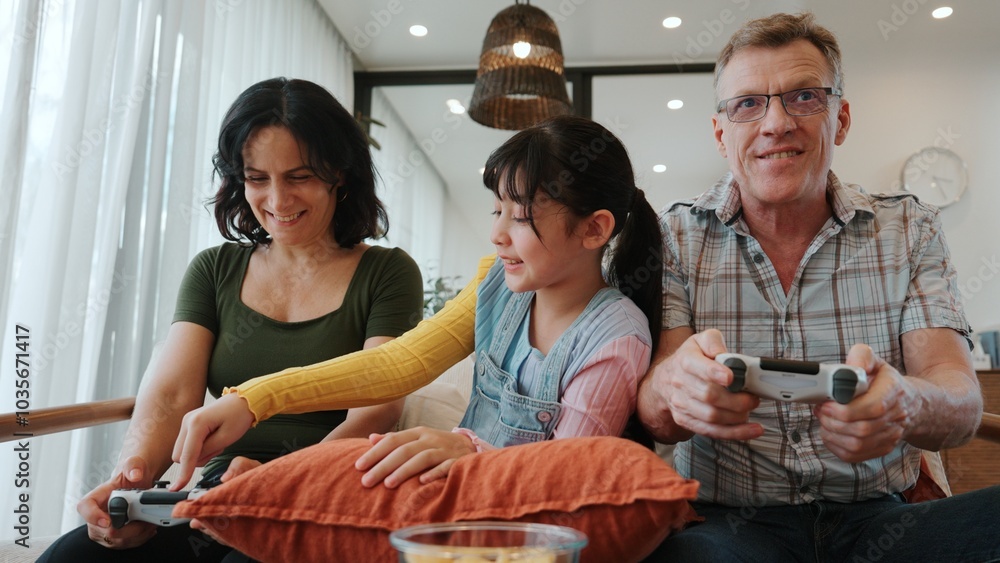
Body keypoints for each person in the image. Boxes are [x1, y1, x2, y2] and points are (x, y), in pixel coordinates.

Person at [634, 12, 1000, 562]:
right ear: (721, 132)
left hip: (882, 521)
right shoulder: (676, 237)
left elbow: (957, 393)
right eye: (748, 104)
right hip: (731, 528)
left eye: (804, 97)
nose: (776, 123)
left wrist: (905, 403)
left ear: (841, 118)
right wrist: (674, 389)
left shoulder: (908, 228)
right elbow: (656, 398)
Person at [37, 77, 423, 563]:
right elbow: (174, 394)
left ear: (339, 173)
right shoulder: (214, 269)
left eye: (300, 176)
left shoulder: (387, 273)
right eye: (257, 178)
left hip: (319, 495)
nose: (277, 201)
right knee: (70, 558)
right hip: (212, 494)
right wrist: (130, 479)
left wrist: (276, 480)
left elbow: (376, 407)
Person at [171, 115, 665, 492]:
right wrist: (254, 398)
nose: (496, 234)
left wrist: (470, 450)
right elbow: (400, 362)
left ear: (594, 228)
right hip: (449, 504)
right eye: (497, 209)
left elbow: (567, 477)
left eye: (521, 217)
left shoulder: (615, 337)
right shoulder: (496, 285)